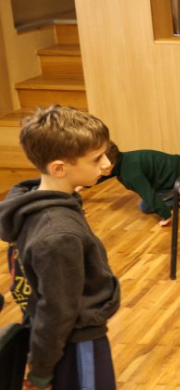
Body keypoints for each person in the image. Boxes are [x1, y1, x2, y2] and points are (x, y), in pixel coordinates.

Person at [0, 105, 121, 389]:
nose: (107, 165)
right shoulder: (58, 234)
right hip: (75, 342)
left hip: (64, 336)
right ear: (59, 168)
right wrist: (40, 370)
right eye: (96, 159)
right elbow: (56, 310)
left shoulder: (32, 202)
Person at [98, 141, 180, 226]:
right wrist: (87, 183)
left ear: (106, 167)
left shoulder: (131, 174)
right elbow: (108, 173)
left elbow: (148, 193)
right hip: (178, 166)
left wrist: (166, 215)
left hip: (179, 178)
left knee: (145, 206)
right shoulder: (123, 159)